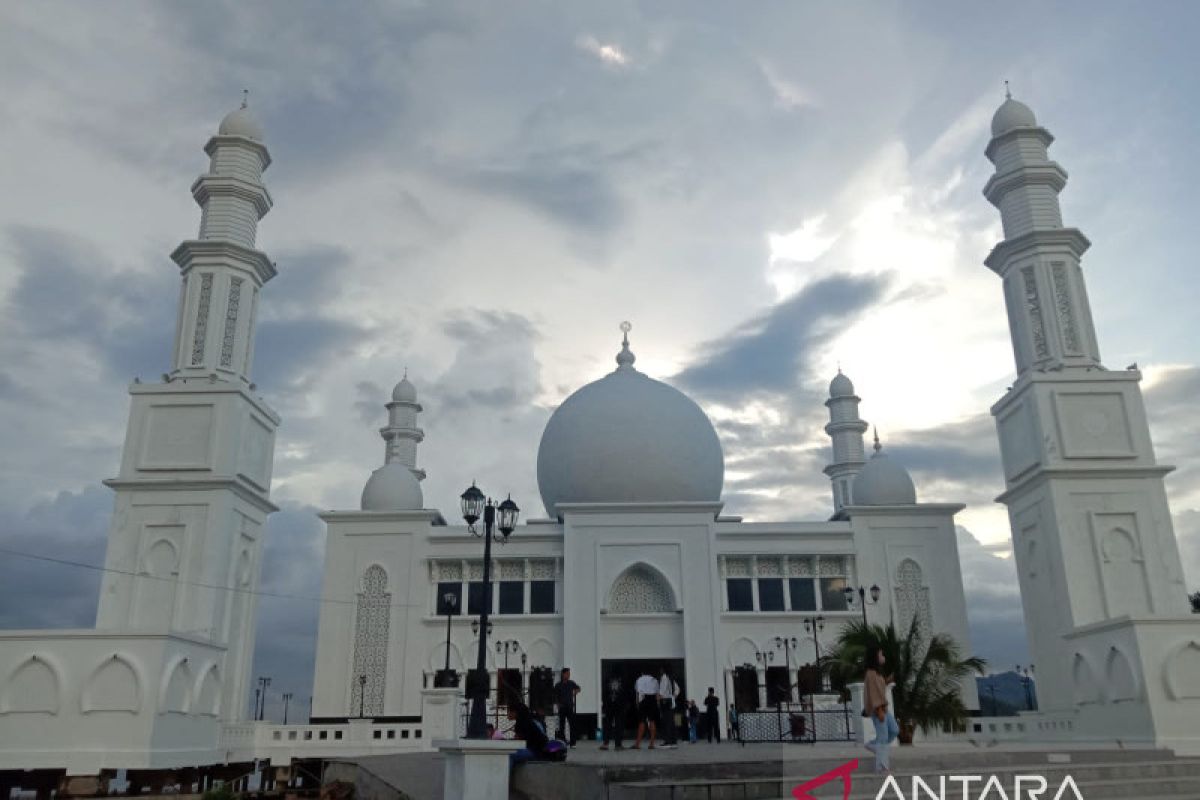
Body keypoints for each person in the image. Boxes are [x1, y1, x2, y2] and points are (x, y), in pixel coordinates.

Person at [864, 642, 900, 773]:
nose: (883, 656)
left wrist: (888, 680)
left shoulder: (877, 673)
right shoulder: (870, 674)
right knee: (883, 737)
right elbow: (873, 693)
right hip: (878, 709)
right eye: (881, 654)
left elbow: (880, 686)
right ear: (875, 657)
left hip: (883, 709)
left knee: (894, 730)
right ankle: (882, 767)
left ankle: (873, 745)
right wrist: (879, 710)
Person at [553, 667, 581, 746]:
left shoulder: (571, 683)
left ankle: (573, 743)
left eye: (569, 674)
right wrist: (557, 704)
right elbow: (555, 696)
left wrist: (576, 691)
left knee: (572, 724)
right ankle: (563, 741)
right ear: (563, 674)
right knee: (562, 725)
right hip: (562, 707)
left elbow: (578, 688)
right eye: (567, 674)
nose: (569, 675)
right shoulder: (558, 685)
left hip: (569, 706)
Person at [633, 668, 659, 749]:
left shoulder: (639, 679)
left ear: (642, 672)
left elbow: (637, 692)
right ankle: (651, 743)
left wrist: (637, 703)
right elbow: (657, 693)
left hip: (643, 699)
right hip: (652, 700)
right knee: (652, 721)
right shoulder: (655, 680)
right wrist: (657, 704)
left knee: (641, 721)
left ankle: (637, 744)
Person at [599, 673, 626, 751]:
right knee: (619, 726)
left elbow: (604, 693)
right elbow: (625, 693)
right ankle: (618, 745)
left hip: (609, 706)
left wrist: (604, 705)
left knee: (607, 725)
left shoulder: (607, 680)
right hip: (619, 706)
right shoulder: (623, 680)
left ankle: (605, 744)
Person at [657, 667, 679, 747]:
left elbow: (661, 691)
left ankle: (667, 741)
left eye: (661, 669)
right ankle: (673, 741)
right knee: (672, 722)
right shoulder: (671, 678)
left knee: (666, 722)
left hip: (665, 702)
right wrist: (673, 697)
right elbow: (677, 689)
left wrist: (658, 700)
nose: (660, 671)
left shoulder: (664, 677)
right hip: (671, 702)